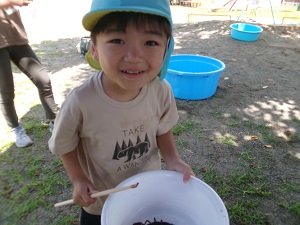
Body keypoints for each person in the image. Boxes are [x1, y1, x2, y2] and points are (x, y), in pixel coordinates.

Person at [48, 0, 194, 224]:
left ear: (166, 50)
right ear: (94, 49)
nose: (134, 56)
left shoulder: (161, 90)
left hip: (147, 189)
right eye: (117, 40)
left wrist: (173, 159)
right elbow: (64, 144)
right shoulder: (80, 101)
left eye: (150, 42)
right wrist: (78, 179)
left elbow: (162, 129)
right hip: (102, 200)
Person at [0, 0, 57, 147]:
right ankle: (16, 128)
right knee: (6, 90)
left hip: (16, 38)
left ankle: (54, 121)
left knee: (43, 80)